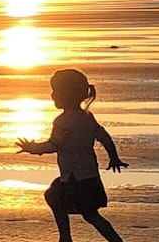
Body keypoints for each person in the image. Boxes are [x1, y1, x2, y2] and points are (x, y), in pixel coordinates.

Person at [16, 68, 128, 242]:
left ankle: (65, 238)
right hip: (89, 175)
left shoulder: (62, 121)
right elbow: (104, 136)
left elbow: (54, 145)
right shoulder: (87, 117)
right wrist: (114, 157)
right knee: (90, 214)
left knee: (55, 198)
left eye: (56, 91)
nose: (53, 95)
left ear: (66, 94)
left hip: (73, 177)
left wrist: (33, 148)